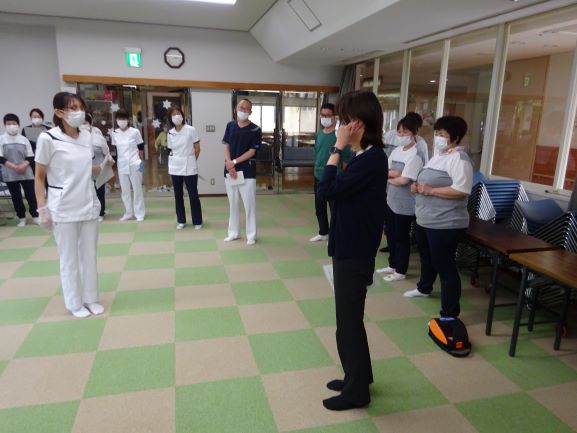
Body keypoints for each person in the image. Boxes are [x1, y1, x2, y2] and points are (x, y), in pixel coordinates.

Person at [317, 90, 387, 411]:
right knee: (348, 320)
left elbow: (326, 190)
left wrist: (336, 147)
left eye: (344, 120)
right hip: (350, 245)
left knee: (348, 322)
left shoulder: (372, 159)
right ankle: (357, 377)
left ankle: (357, 391)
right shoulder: (365, 156)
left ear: (359, 123)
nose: (340, 125)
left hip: (355, 250)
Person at [34, 92, 114, 318]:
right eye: (73, 108)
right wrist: (42, 208)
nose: (79, 112)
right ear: (59, 112)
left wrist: (104, 166)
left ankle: (90, 298)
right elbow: (39, 176)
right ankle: (74, 303)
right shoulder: (48, 139)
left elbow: (85, 169)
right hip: (63, 207)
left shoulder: (87, 136)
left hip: (88, 203)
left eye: (81, 107)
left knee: (89, 256)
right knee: (69, 259)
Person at [404, 116, 473, 322]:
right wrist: (417, 187)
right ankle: (424, 287)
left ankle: (450, 313)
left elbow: (461, 190)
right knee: (427, 258)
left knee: (445, 266)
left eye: (442, 134)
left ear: (456, 137)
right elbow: (427, 181)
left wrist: (431, 190)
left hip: (446, 223)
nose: (438, 138)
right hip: (425, 219)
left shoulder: (459, 159)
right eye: (436, 133)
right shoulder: (439, 156)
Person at [379, 116, 423, 282]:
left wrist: (388, 176)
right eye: (399, 132)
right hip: (391, 199)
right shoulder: (397, 151)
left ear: (414, 133)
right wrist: (393, 174)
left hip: (405, 203)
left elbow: (404, 180)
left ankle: (401, 270)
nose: (401, 135)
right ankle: (392, 264)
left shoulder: (416, 154)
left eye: (405, 132)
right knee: (390, 233)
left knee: (401, 236)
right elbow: (385, 169)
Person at [310, 102, 351, 242]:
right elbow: (317, 153)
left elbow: (346, 159)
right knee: (319, 207)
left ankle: (334, 236)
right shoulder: (319, 134)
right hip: (318, 175)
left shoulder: (339, 136)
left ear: (335, 117)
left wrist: (342, 177)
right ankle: (323, 232)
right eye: (322, 115)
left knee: (334, 209)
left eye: (328, 115)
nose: (324, 118)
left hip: (334, 177)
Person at [222, 98, 261, 245]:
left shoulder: (255, 129)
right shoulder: (230, 126)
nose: (243, 111)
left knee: (249, 205)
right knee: (233, 203)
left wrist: (234, 162)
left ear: (251, 111)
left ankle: (251, 235)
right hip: (230, 171)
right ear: (236, 108)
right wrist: (229, 164)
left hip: (247, 171)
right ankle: (233, 233)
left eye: (246, 109)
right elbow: (226, 145)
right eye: (241, 107)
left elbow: (252, 151)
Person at [167, 106, 203, 230]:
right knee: (178, 195)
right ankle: (181, 220)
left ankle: (197, 221)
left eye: (178, 113)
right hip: (175, 166)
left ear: (182, 115)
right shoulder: (170, 133)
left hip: (189, 164)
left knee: (193, 195)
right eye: (173, 114)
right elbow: (171, 150)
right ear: (170, 118)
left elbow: (197, 148)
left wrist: (192, 160)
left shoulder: (191, 130)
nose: (176, 116)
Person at [0, 113, 39, 227]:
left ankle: (35, 216)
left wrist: (23, 165)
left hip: (26, 171)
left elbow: (30, 156)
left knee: (31, 195)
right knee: (16, 196)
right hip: (10, 172)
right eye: (8, 124)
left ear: (18, 124)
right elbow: (0, 157)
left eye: (14, 123)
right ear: (4, 125)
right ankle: (22, 218)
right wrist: (14, 167)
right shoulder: (1, 139)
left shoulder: (24, 139)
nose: (11, 126)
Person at [111, 109, 146, 221]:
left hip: (135, 163)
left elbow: (141, 147)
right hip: (121, 164)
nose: (121, 121)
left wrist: (141, 163)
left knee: (137, 189)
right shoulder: (115, 133)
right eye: (119, 118)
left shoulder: (135, 132)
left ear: (128, 119)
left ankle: (139, 213)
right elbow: (116, 149)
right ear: (116, 120)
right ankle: (128, 213)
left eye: (124, 118)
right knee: (125, 190)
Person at [81, 112, 110, 222]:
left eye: (85, 123)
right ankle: (88, 212)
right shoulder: (76, 139)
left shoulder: (98, 138)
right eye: (81, 123)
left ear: (90, 123)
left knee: (99, 191)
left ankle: (101, 212)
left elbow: (106, 153)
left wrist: (102, 166)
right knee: (86, 192)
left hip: (99, 168)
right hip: (84, 170)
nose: (83, 126)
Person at [22, 108, 50, 172]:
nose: (37, 118)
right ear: (30, 118)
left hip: (46, 159)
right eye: (34, 117)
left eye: (39, 117)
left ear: (42, 118)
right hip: (32, 160)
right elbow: (24, 145)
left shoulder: (48, 129)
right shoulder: (26, 129)